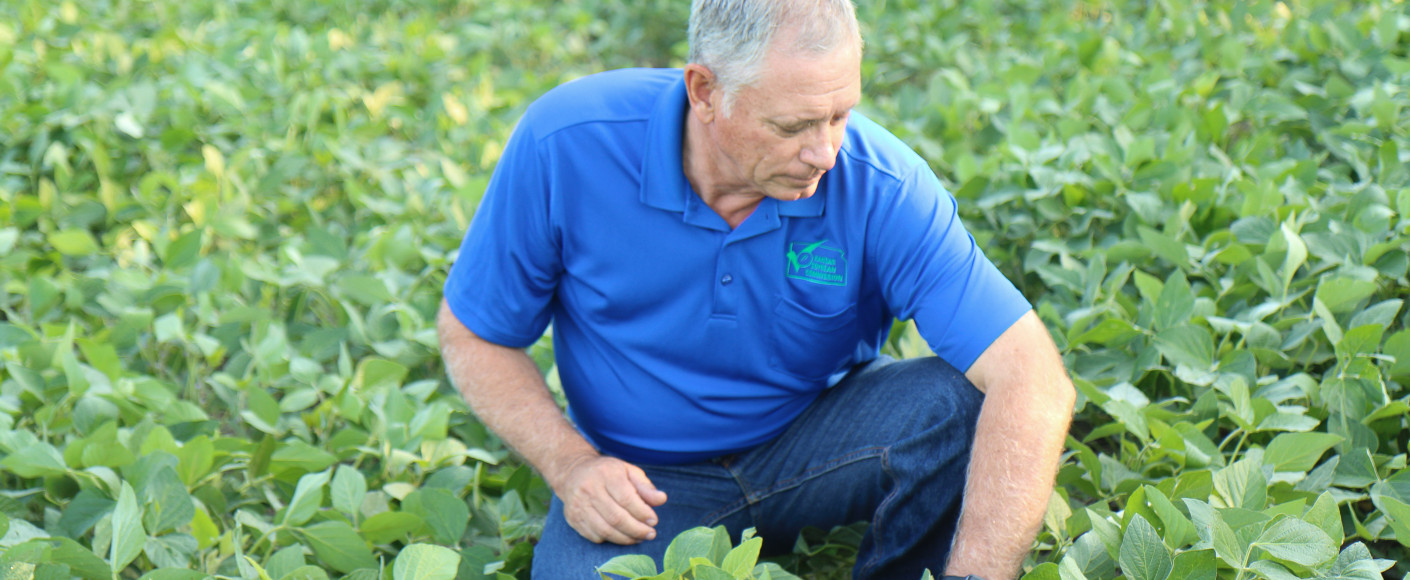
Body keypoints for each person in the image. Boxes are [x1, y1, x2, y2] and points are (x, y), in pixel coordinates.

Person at [436, 0, 1075, 578]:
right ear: (705, 91)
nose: (825, 152)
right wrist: (570, 465)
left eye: (840, 114)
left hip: (817, 442)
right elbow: (474, 332)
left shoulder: (881, 185)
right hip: (642, 480)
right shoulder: (567, 144)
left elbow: (1033, 381)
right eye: (793, 125)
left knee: (958, 403)